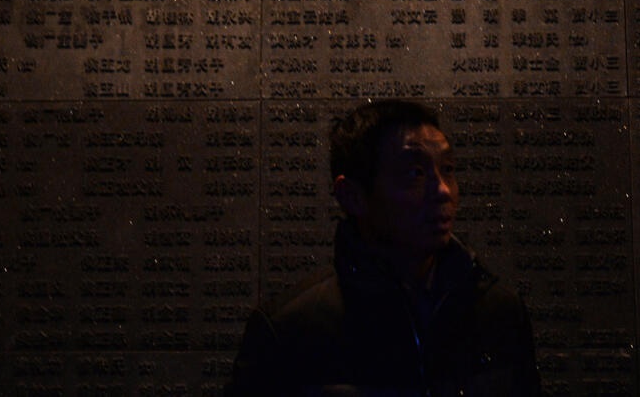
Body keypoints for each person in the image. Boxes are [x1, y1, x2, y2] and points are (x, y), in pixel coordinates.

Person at [224, 99, 541, 396]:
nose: (444, 191)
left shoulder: (499, 312)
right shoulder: (290, 331)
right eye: (415, 174)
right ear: (352, 196)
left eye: (447, 169)